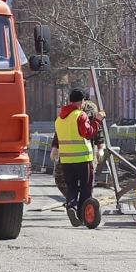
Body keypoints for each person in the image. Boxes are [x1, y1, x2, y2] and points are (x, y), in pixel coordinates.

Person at [53, 87, 101, 226]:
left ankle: (71, 207)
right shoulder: (80, 115)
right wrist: (97, 121)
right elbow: (88, 133)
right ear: (82, 101)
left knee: (72, 187)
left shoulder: (59, 119)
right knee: (86, 188)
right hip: (83, 159)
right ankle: (82, 215)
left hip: (66, 160)